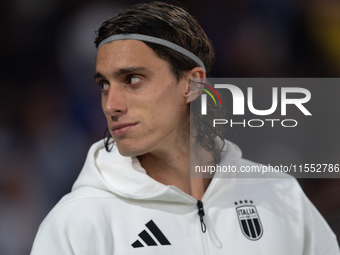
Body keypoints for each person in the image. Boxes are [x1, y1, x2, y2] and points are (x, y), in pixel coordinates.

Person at [30, 2, 339, 254]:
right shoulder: (78, 222)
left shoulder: (280, 193)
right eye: (104, 85)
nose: (111, 104)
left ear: (192, 84)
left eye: (132, 80)